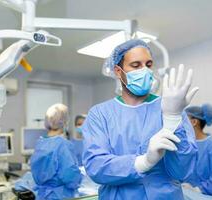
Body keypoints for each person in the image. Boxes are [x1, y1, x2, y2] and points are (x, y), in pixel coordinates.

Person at [82, 39, 199, 199]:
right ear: (118, 71)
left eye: (149, 65)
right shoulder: (100, 114)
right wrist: (143, 162)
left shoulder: (170, 108)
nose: (145, 71)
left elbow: (182, 171)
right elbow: (96, 166)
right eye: (136, 65)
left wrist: (173, 118)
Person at [30, 103, 82, 200]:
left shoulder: (40, 143)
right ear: (65, 122)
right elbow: (69, 176)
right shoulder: (62, 145)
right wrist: (80, 178)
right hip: (59, 195)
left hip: (42, 196)